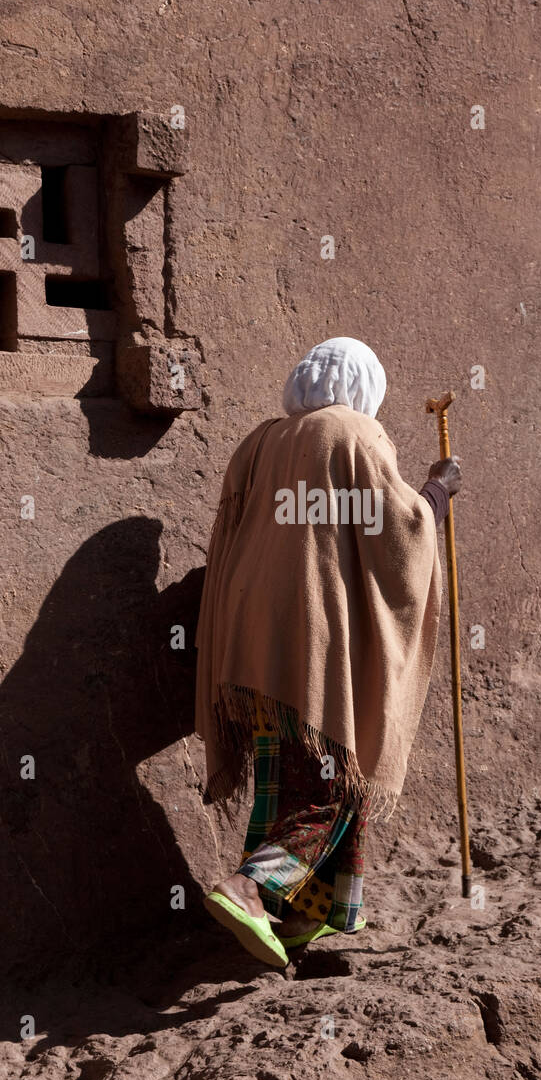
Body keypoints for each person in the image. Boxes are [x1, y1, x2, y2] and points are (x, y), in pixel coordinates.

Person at [194, 337, 461, 966]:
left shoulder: (258, 443)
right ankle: (250, 889)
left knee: (287, 774)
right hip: (312, 637)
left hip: (250, 640)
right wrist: (439, 492)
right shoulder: (354, 436)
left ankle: (305, 913)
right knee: (331, 784)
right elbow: (400, 532)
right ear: (364, 387)